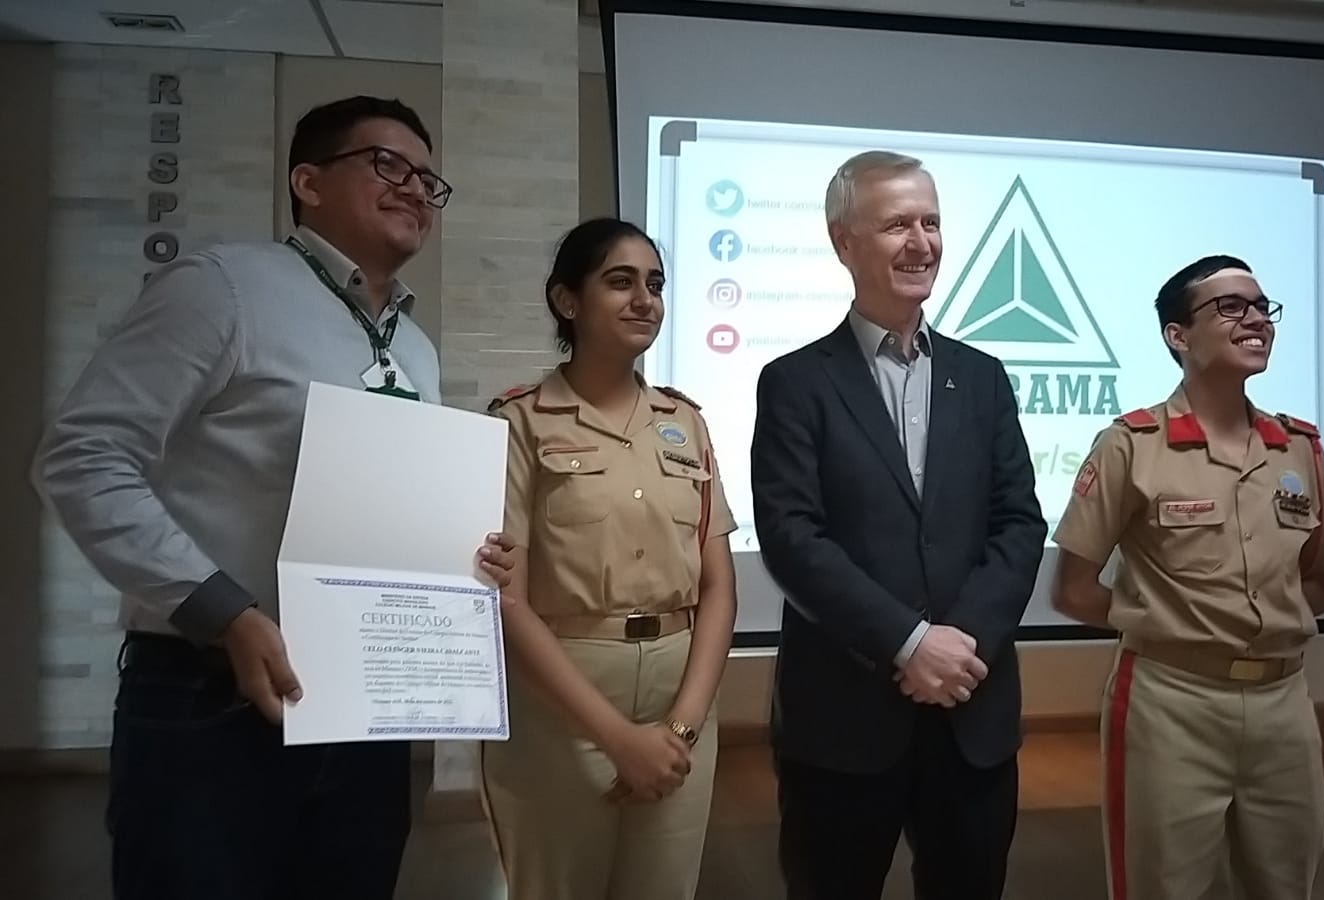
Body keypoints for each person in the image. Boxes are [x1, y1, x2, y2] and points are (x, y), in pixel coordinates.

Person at [31, 95, 514, 900]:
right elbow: (83, 456)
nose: (415, 188)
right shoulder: (225, 288)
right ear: (308, 182)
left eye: (429, 179)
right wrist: (223, 610)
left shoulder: (415, 348)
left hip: (365, 706)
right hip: (210, 696)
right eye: (387, 164)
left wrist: (463, 564)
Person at [750, 150, 1046, 900]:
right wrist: (910, 643)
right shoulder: (795, 382)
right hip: (842, 721)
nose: (922, 243)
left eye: (932, 223)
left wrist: (960, 642)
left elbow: (1019, 523)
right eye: (897, 225)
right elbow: (791, 537)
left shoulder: (983, 378)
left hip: (972, 710)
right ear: (843, 241)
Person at [1051, 255, 1324, 900]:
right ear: (1178, 335)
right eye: (1230, 307)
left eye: (1262, 307)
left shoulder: (1299, 448)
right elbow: (1074, 589)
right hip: (1171, 703)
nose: (1256, 319)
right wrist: (1172, 623)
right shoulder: (1131, 446)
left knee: (1287, 886)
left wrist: (1260, 622)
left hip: (1284, 705)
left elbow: (1323, 581)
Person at [480, 217, 738, 900]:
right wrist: (619, 739)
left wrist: (681, 727)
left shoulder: (685, 422)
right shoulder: (519, 423)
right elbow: (506, 597)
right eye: (620, 282)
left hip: (682, 695)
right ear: (567, 300)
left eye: (655, 284)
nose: (644, 299)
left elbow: (719, 588)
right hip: (562, 702)